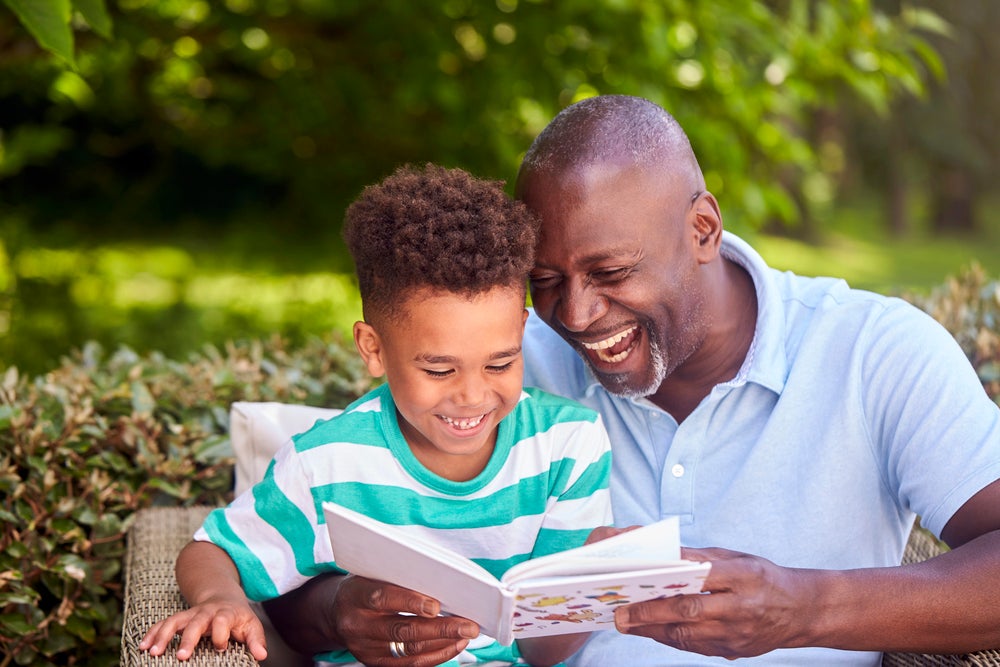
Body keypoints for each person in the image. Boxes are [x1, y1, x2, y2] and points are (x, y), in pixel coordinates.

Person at [260, 96, 1000, 666]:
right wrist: (341, 614)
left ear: (702, 228)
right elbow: (301, 566)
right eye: (546, 280)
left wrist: (806, 606)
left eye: (611, 273)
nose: (575, 315)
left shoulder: (873, 352)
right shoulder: (504, 368)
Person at [139, 164, 614, 667]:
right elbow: (210, 550)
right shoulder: (329, 463)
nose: (473, 396)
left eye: (501, 362)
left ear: (521, 331)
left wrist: (592, 588)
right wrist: (221, 602)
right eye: (438, 369)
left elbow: (543, 650)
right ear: (373, 349)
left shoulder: (567, 446)